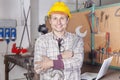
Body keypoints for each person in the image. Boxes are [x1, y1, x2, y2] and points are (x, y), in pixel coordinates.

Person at [34, 1, 84, 80]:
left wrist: (50, 63)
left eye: (62, 18)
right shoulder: (41, 41)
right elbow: (38, 68)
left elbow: (77, 62)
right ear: (50, 21)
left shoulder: (76, 40)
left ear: (67, 20)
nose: (58, 22)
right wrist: (61, 57)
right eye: (55, 18)